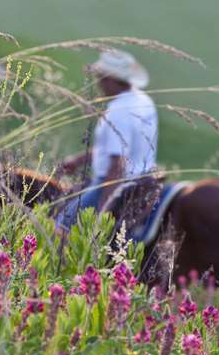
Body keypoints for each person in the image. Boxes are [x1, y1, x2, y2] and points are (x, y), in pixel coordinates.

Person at [58, 50, 158, 225]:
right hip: (145, 178)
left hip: (116, 183)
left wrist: (104, 209)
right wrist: (79, 160)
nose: (99, 84)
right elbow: (116, 148)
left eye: (100, 79)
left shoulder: (118, 112)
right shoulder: (144, 100)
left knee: (61, 225)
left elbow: (117, 163)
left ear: (110, 80)